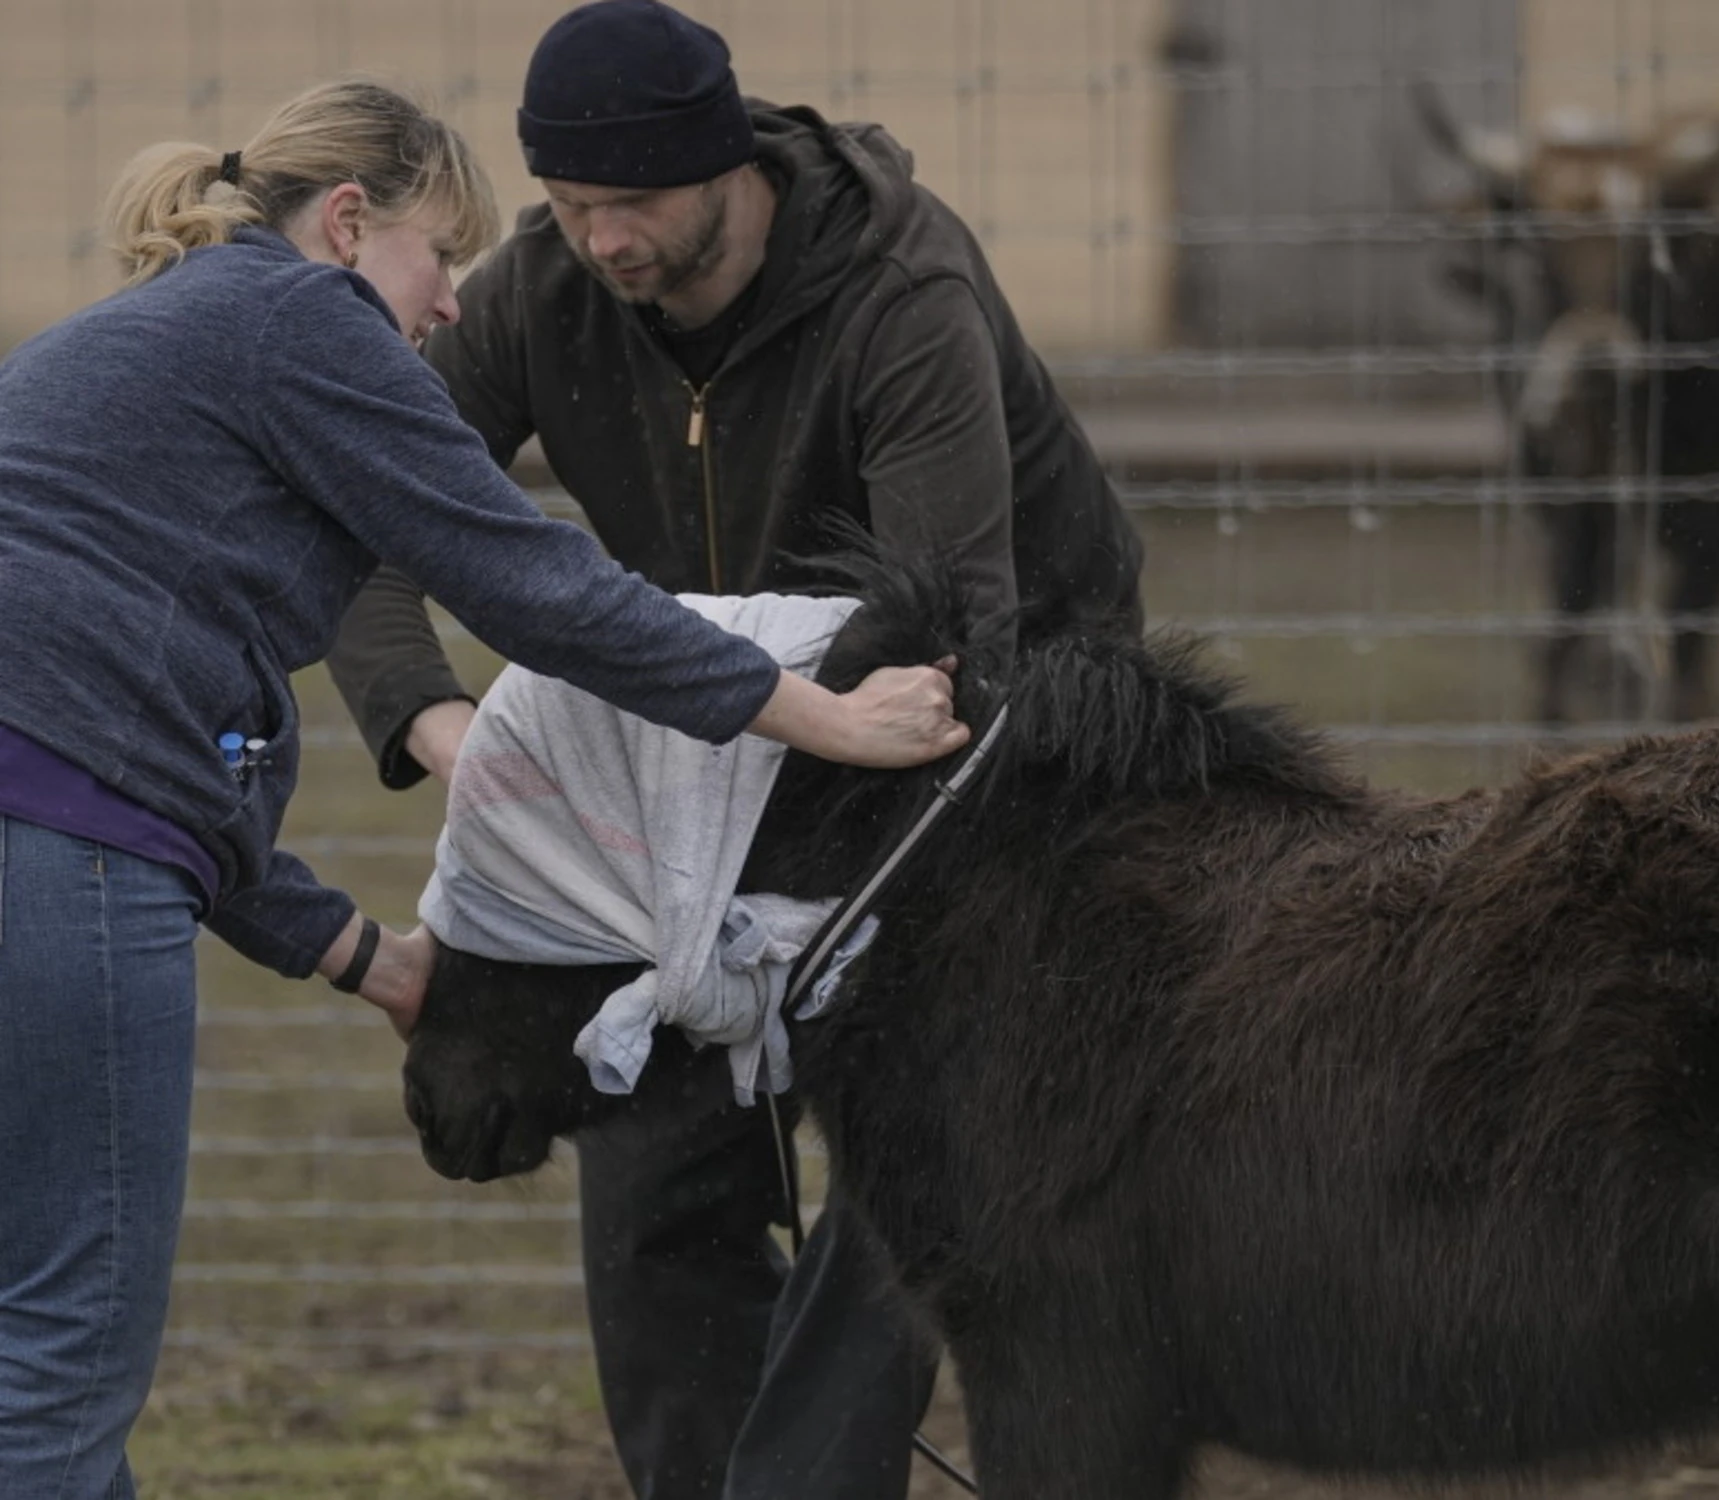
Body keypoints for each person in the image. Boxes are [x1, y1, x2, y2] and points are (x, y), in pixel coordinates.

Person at [0, 77, 969, 1500]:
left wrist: (365, 959)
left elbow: (152, 743)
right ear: (346, 225)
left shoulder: (153, 348)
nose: (450, 304)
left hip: (56, 820)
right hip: (54, 848)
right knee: (63, 1351)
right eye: (436, 256)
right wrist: (816, 714)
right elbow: (533, 584)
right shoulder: (297, 320)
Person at [323, 4, 1146, 1497]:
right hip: (713, 754)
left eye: (632, 203)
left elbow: (940, 636)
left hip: (994, 737)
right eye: (570, 207)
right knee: (650, 1155)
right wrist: (444, 730)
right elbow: (375, 519)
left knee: (906, 1156)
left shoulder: (902, 294)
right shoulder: (539, 295)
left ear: (726, 172)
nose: (603, 241)